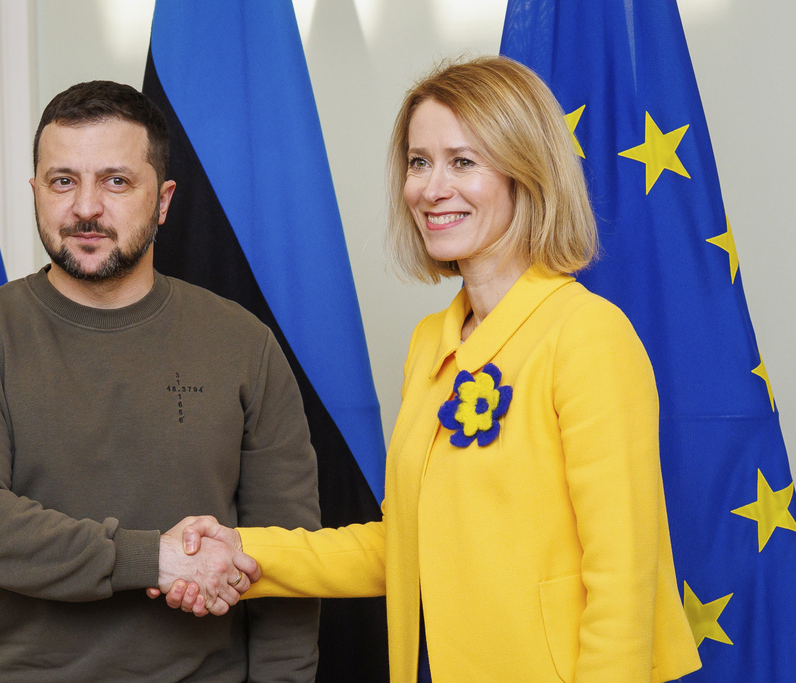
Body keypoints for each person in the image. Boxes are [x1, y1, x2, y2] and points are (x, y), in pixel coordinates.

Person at [158, 56, 703, 682]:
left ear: (526, 174)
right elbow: (403, 546)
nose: (430, 188)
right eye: (419, 162)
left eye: (462, 162)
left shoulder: (588, 336)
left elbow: (624, 579)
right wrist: (243, 550)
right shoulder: (431, 341)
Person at [0, 80, 321, 683]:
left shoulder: (243, 345)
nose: (85, 207)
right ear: (36, 192)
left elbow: (287, 557)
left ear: (164, 200)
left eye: (116, 181)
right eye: (63, 181)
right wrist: (155, 560)